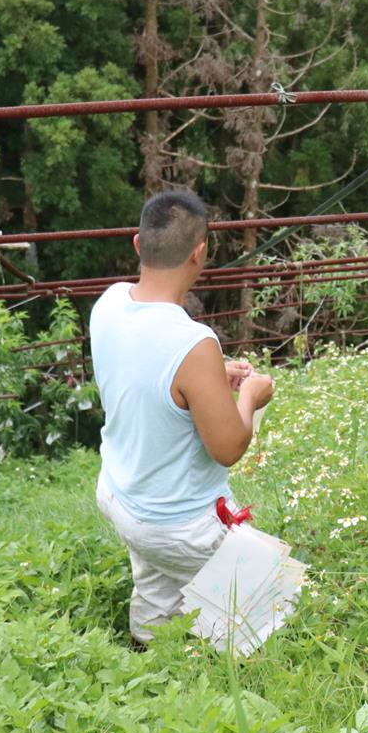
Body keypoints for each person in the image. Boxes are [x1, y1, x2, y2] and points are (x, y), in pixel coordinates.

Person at [90, 188, 275, 645]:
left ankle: (147, 651)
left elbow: (145, 374)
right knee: (269, 589)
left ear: (138, 244)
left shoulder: (109, 303)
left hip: (121, 495)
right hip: (178, 524)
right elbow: (229, 447)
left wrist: (212, 377)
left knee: (157, 584)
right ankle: (235, 662)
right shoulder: (193, 342)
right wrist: (250, 394)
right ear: (200, 254)